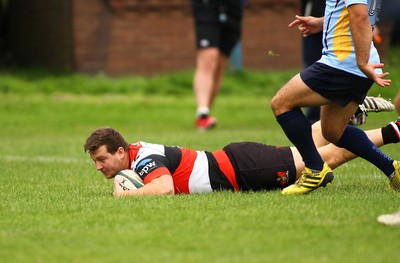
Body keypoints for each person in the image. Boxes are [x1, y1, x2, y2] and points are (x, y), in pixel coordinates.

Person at [83, 117, 400, 196]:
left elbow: (163, 187)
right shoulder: (138, 152)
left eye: (101, 159)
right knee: (307, 147)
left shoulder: (143, 160)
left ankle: (391, 132)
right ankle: (342, 119)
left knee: (327, 157)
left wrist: (129, 195)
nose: (98, 167)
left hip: (241, 170)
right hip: (236, 161)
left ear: (120, 151)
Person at [270, 0, 398, 195]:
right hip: (354, 63)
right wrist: (322, 22)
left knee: (282, 103)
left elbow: (360, 16)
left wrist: (362, 62)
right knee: (332, 131)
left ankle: (315, 169)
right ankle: (393, 170)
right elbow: (353, 12)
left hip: (343, 63)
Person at [190, 0, 244, 131]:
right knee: (208, 59)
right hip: (207, 6)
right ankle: (203, 114)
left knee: (219, 65)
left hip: (234, 8)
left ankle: (205, 116)